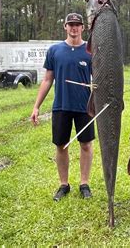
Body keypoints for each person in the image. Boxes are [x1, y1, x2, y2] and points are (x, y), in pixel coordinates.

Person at [30, 13, 94, 201]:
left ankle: (84, 183)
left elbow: (98, 78)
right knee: (61, 145)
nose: (74, 28)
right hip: (61, 106)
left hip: (85, 106)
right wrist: (36, 107)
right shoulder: (55, 51)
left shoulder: (90, 51)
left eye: (77, 25)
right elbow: (48, 80)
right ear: (65, 27)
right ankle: (64, 184)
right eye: (71, 24)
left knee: (86, 144)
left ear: (83, 28)